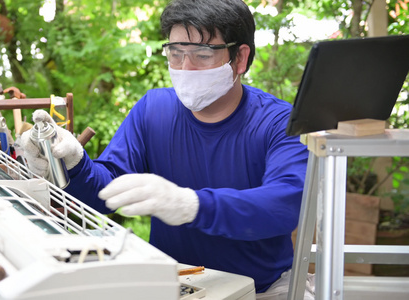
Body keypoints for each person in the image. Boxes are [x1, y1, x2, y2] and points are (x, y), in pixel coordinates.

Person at [21, 0, 313, 298]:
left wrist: (191, 205)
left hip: (263, 289)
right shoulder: (153, 110)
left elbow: (287, 204)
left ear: (240, 58)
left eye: (202, 54)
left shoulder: (279, 122)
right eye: (175, 54)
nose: (185, 68)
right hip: (174, 285)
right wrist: (74, 164)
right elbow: (106, 193)